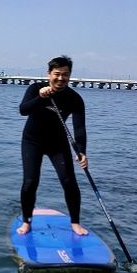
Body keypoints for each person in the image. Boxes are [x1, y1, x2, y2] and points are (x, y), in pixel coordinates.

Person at [17, 55, 88, 236]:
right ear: (49, 74)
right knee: (30, 182)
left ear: (69, 75)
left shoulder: (74, 99)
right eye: (57, 74)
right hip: (32, 141)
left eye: (65, 74)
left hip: (58, 143)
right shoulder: (36, 88)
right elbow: (23, 110)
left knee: (69, 181)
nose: (60, 78)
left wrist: (82, 152)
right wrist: (40, 97)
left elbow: (79, 129)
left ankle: (75, 223)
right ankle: (27, 222)